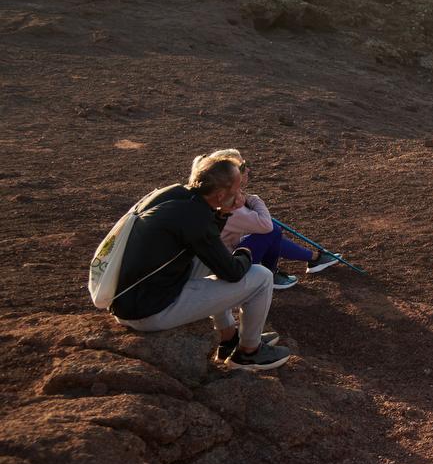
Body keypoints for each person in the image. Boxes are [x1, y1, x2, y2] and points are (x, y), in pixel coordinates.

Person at [109, 154, 293, 371]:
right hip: (149, 311)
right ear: (220, 194)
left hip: (130, 297)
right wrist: (244, 253)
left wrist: (223, 212)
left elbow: (206, 243)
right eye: (236, 191)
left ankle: (229, 337)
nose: (239, 196)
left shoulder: (174, 195)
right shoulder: (195, 219)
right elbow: (232, 272)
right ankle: (249, 353)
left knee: (207, 257)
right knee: (261, 277)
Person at [211, 153, 336, 289]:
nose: (248, 170)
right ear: (231, 175)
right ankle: (271, 273)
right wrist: (254, 199)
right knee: (271, 231)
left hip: (220, 255)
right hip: (226, 264)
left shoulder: (221, 195)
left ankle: (314, 258)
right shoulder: (230, 206)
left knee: (268, 233)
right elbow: (267, 227)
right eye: (243, 167)